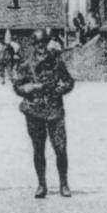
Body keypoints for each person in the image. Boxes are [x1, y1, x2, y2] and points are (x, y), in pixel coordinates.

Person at [14, 29, 74, 198]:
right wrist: (29, 88)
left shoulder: (56, 61)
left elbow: (69, 80)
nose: (41, 47)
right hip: (35, 111)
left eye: (43, 43)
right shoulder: (26, 64)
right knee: (38, 149)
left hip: (54, 109)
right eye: (38, 44)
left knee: (60, 149)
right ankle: (41, 184)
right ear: (34, 45)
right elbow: (17, 86)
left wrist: (64, 87)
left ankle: (64, 183)